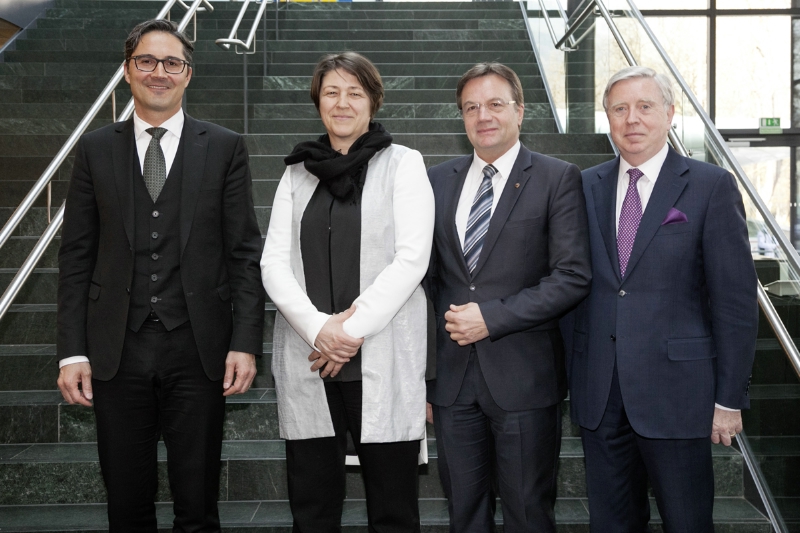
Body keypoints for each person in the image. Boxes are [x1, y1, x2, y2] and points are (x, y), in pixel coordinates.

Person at [56, 19, 265, 531]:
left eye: (172, 63)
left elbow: (244, 253)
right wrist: (72, 351)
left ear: (188, 74)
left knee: (198, 502)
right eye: (146, 61)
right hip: (115, 349)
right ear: (128, 71)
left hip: (199, 347)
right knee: (126, 502)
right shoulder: (95, 148)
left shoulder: (224, 147)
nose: (159, 72)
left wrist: (245, 342)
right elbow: (76, 255)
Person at [567, 66, 758, 532]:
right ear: (608, 118)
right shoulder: (583, 186)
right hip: (600, 395)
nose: (632, 118)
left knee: (687, 522)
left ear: (670, 114)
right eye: (619, 108)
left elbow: (735, 303)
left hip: (680, 396)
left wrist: (729, 399)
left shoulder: (711, 185)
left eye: (645, 106)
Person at [260, 51, 434, 532]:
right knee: (312, 509)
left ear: (373, 101)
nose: (342, 103)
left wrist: (348, 331)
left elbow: (411, 258)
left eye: (354, 93)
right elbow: (273, 262)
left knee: (394, 511)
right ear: (318, 101)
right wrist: (320, 329)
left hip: (382, 351)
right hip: (310, 356)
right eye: (331, 92)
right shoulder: (297, 172)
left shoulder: (403, 164)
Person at [425, 62, 592, 532]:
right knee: (464, 512)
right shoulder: (436, 180)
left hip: (524, 378)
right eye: (471, 107)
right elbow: (426, 281)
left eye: (495, 104)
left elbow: (572, 276)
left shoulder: (558, 177)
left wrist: (492, 317)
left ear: (520, 111)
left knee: (528, 513)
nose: (483, 116)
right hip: (452, 383)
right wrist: (425, 377)